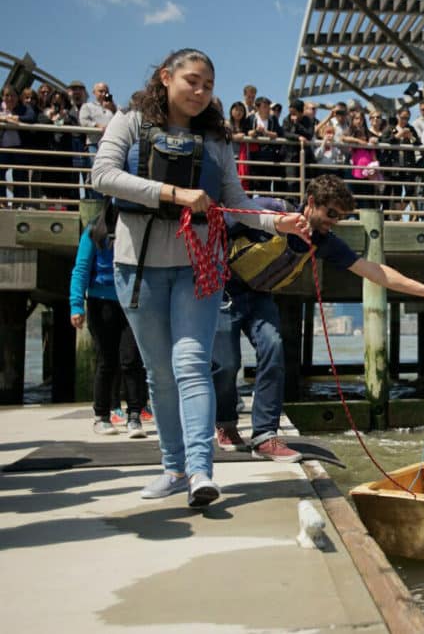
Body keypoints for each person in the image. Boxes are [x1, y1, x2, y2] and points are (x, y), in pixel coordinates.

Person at [91, 48, 311, 508]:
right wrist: (171, 193)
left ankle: (200, 471)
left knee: (192, 365)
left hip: (200, 265)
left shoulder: (216, 140)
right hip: (138, 265)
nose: (200, 91)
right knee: (160, 373)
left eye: (208, 85)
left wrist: (277, 223)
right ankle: (172, 467)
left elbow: (235, 199)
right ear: (166, 77)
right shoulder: (129, 123)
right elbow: (103, 176)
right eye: (192, 81)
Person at [212, 174, 424, 459]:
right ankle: (225, 424)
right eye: (331, 213)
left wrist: (423, 289)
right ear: (311, 203)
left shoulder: (324, 241)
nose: (334, 221)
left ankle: (265, 436)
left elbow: (373, 270)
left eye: (341, 217)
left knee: (273, 348)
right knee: (226, 364)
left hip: (260, 296)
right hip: (222, 288)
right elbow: (215, 226)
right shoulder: (269, 209)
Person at [70, 198, 149, 437]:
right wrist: (76, 305)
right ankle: (102, 415)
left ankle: (135, 414)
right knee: (107, 361)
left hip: (132, 302)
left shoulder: (139, 230)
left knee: (131, 359)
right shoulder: (94, 231)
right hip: (100, 302)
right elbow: (81, 268)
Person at [1, 85, 36, 207]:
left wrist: (17, 117)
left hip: (19, 148)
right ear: (2, 97)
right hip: (2, 148)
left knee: (20, 176)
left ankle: (20, 204)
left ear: (17, 97)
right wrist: (6, 119)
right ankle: (2, 202)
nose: (10, 98)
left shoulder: (24, 108)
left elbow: (31, 118)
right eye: (7, 95)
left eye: (13, 95)